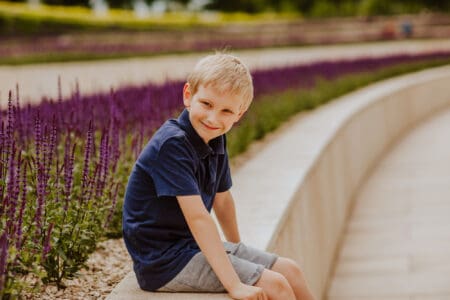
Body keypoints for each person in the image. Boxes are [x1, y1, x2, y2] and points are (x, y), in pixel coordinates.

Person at [123, 52, 315, 300]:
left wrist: (237, 250)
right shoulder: (173, 144)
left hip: (189, 248)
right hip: (164, 262)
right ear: (188, 95)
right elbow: (198, 218)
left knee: (291, 271)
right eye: (207, 104)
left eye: (226, 111)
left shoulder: (215, 138)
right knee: (276, 285)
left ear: (239, 114)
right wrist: (236, 284)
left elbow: (223, 201)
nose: (213, 118)